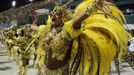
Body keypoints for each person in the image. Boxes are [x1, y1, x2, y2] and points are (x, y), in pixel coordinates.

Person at [26, 0, 131, 75]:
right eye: (53, 13)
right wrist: (29, 26)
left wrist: (93, 6)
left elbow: (76, 21)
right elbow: (37, 28)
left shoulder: (66, 31)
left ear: (63, 18)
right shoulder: (47, 30)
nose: (53, 15)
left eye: (58, 14)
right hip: (42, 71)